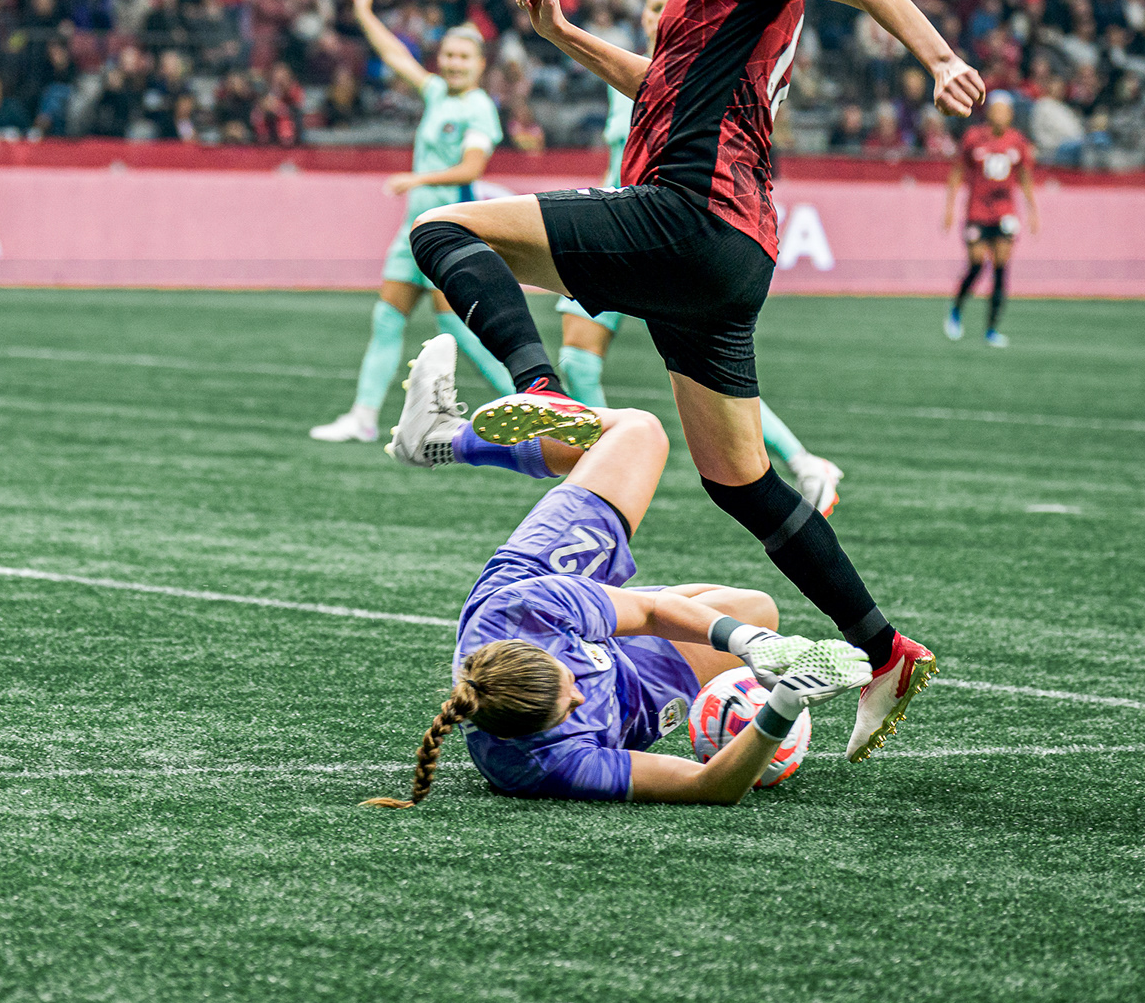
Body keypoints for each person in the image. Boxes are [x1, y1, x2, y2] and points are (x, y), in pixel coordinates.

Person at [403, 0, 977, 760]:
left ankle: (540, 397)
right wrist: (560, 34)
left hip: (687, 216)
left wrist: (938, 55)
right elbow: (657, 84)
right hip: (729, 255)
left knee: (444, 230)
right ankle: (884, 650)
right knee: (740, 480)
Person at [364, 335, 873, 808]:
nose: (581, 691)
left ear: (544, 648)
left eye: (569, 680)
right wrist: (782, 703)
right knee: (757, 608)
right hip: (635, 700)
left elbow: (651, 611)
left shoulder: (521, 607)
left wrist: (748, 645)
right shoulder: (544, 766)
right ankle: (611, 623)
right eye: (570, 706)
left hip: (540, 577)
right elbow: (708, 786)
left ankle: (444, 438)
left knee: (637, 432)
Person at [558, 0, 847, 514]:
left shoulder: (694, 79)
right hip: (622, 230)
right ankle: (600, 479)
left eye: (662, 4)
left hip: (662, 239)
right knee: (578, 359)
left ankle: (801, 461)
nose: (652, 15)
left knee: (707, 384)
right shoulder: (620, 68)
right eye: (647, 4)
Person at [309, 0, 514, 444]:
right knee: (386, 320)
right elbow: (396, 58)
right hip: (412, 233)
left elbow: (472, 166)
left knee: (457, 330)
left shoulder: (480, 108)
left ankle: (533, 402)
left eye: (463, 57)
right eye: (448, 56)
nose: (453, 64)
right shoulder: (439, 94)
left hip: (447, 235)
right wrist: (363, 12)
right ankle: (362, 417)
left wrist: (416, 179)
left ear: (481, 65)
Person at [943, 90, 1038, 348]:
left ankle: (991, 329)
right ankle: (956, 309)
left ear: (1010, 115)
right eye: (996, 110)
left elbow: (1026, 177)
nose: (1000, 115)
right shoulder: (974, 138)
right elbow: (958, 171)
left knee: (1000, 267)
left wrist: (1032, 210)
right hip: (977, 212)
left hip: (1005, 212)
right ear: (989, 113)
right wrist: (950, 207)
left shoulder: (1017, 142)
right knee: (976, 263)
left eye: (1004, 111)